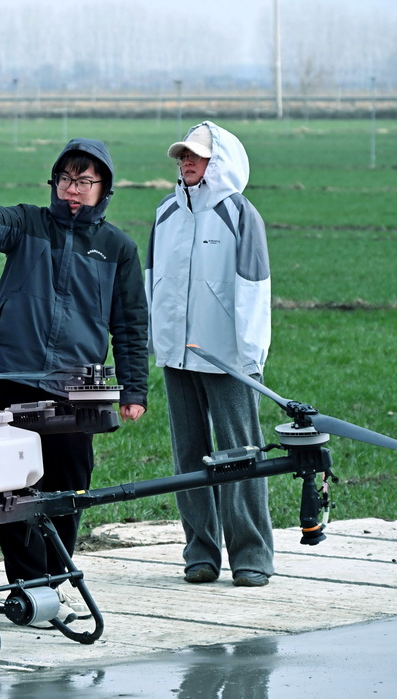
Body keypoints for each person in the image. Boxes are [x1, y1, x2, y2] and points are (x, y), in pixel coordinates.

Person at [0, 138, 148, 622]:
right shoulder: (29, 225)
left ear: (103, 188)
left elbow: (130, 324)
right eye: (67, 180)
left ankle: (56, 579)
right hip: (11, 378)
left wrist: (134, 388)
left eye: (85, 182)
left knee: (69, 487)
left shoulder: (117, 249)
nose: (74, 190)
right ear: (55, 182)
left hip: (75, 388)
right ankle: (26, 586)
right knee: (13, 490)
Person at [145, 121, 274, 587]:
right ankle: (200, 551)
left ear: (218, 161)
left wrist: (250, 359)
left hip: (228, 361)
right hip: (177, 358)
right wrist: (159, 344)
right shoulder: (165, 213)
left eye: (196, 155)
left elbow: (255, 290)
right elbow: (152, 281)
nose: (186, 162)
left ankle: (251, 555)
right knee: (189, 457)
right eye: (182, 155)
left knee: (241, 455)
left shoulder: (240, 215)